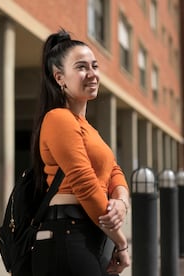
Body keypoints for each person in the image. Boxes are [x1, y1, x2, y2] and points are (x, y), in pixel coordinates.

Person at [30, 29, 131, 276]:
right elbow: (84, 184)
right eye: (82, 67)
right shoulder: (58, 119)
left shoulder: (88, 129)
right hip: (67, 236)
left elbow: (114, 170)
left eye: (94, 66)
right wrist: (121, 242)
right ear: (60, 77)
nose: (92, 74)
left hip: (88, 233)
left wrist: (121, 201)